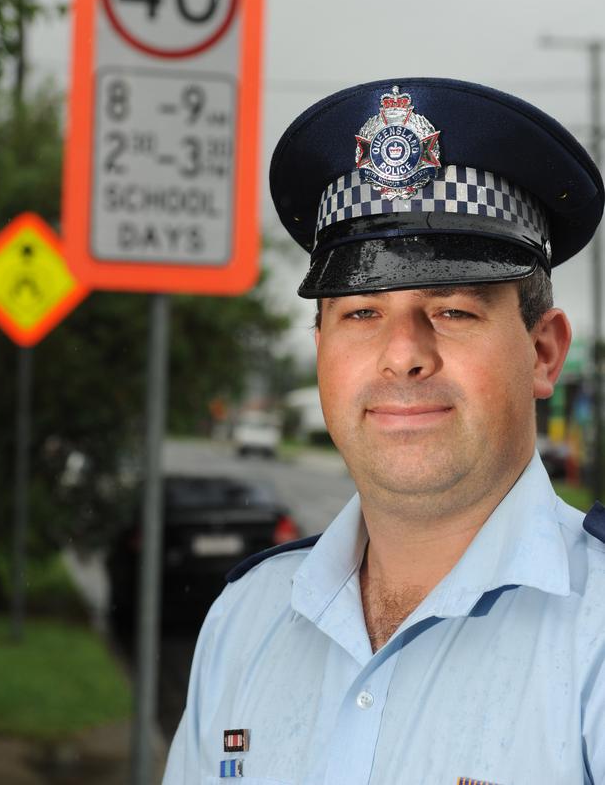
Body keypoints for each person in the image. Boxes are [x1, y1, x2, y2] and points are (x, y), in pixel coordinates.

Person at [162, 78, 605, 785]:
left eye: (454, 310)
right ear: (321, 353)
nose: (403, 353)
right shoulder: (245, 621)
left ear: (543, 352)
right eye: (361, 314)